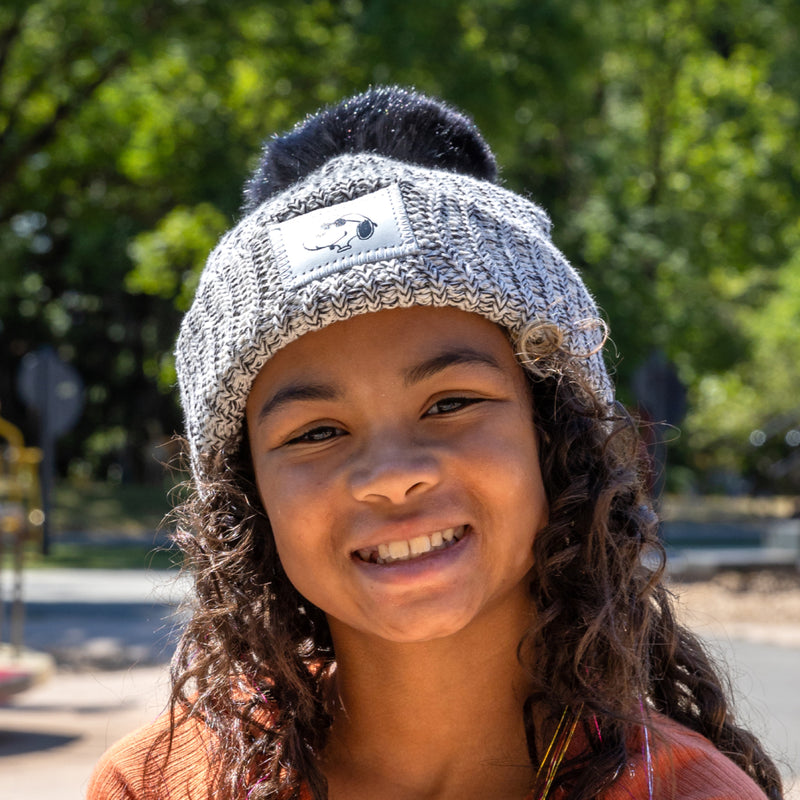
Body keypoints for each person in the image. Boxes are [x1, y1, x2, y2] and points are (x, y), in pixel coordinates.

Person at [88, 86, 784, 800]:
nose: (391, 476)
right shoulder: (155, 785)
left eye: (450, 402)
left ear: (557, 441)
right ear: (246, 500)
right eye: (316, 432)